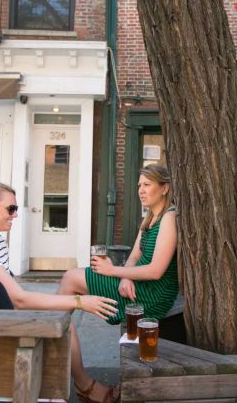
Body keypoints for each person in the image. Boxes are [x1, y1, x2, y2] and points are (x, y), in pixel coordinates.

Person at [57, 164, 177, 403]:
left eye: (147, 185)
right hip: (137, 285)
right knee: (69, 284)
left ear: (164, 188)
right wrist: (124, 275)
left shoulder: (169, 218)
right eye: (139, 185)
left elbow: (156, 271)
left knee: (70, 280)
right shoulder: (151, 217)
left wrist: (112, 269)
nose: (141, 190)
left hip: (153, 293)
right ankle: (65, 356)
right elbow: (133, 256)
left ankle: (72, 371)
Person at [0, 180, 117, 314]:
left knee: (60, 321)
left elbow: (11, 294)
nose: (15, 214)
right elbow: (19, 299)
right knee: (57, 320)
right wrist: (79, 302)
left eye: (16, 208)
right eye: (11, 209)